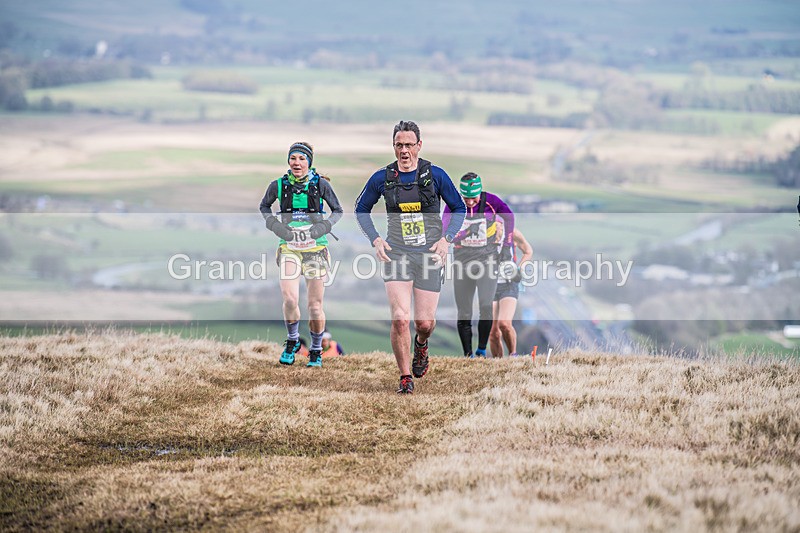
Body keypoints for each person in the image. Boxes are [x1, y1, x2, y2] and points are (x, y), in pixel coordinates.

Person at [355, 120, 466, 394]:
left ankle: (422, 345)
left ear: (419, 145)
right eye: (398, 145)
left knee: (424, 323)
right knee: (400, 318)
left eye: (409, 145)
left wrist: (446, 239)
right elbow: (361, 209)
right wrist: (375, 239)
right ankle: (405, 376)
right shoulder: (382, 178)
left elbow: (459, 208)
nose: (404, 150)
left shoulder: (435, 174)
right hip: (397, 254)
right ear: (393, 147)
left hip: (429, 254)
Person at [260, 141, 343, 368]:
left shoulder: (321, 185)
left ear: (309, 162)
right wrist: (277, 228)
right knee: (289, 298)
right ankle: (293, 340)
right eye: (293, 158)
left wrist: (321, 228)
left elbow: (338, 211)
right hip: (289, 247)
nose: (297, 163)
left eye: (302, 159)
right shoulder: (278, 185)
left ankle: (316, 349)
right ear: (288, 161)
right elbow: (264, 207)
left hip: (316, 248)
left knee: (315, 306)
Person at [442, 173, 514, 358]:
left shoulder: (491, 201)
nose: (470, 203)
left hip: (487, 260)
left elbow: (509, 217)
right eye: (466, 198)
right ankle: (468, 354)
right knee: (464, 311)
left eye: (473, 198)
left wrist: (507, 244)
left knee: (485, 306)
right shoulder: (453, 206)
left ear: (479, 192)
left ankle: (481, 349)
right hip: (462, 262)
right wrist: (465, 233)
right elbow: (444, 234)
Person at [489, 227, 533, 357]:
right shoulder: (478, 234)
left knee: (504, 324)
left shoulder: (511, 232)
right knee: (493, 332)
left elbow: (528, 251)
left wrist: (519, 269)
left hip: (509, 284)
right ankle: (499, 365)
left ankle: (513, 355)